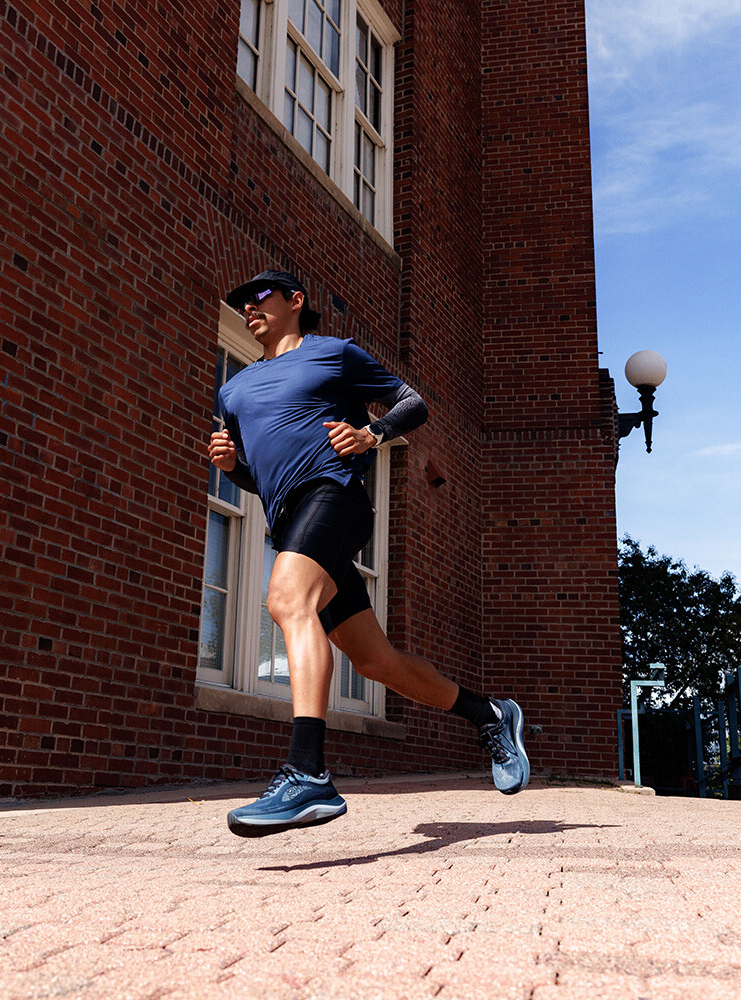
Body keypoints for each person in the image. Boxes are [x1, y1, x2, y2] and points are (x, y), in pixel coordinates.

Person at [208, 270, 528, 838]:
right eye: (239, 303)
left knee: (286, 600)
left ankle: (307, 775)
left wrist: (371, 434)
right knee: (376, 663)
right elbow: (264, 478)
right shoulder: (234, 390)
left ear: (295, 301)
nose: (247, 307)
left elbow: (412, 403)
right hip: (292, 517)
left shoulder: (332, 354)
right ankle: (491, 714)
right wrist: (235, 469)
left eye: (259, 297)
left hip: (333, 495)